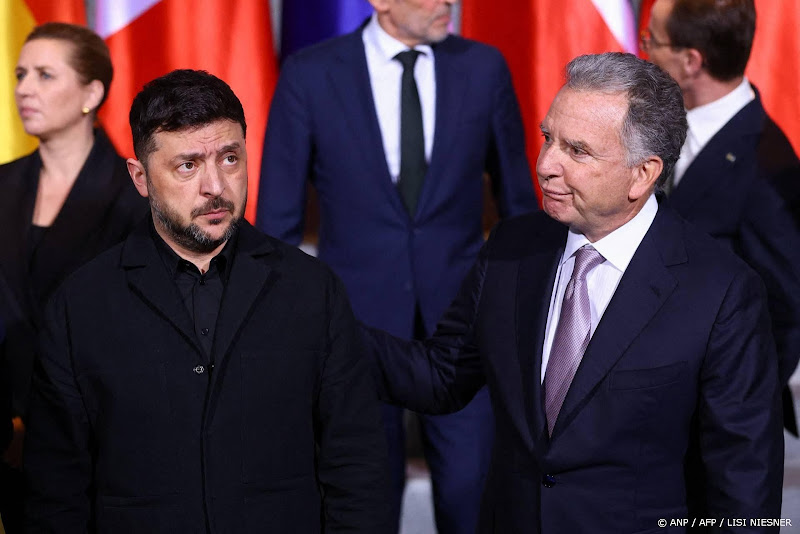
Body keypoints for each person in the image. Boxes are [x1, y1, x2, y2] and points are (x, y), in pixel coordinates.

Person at [363, 52, 784, 533]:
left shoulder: (721, 291)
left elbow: (743, 480)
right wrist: (323, 321)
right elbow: (441, 376)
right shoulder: (512, 248)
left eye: (577, 151)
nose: (545, 165)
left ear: (643, 174)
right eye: (548, 138)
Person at [24, 69, 390, 533]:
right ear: (140, 178)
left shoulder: (313, 290)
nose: (215, 186)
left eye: (230, 159)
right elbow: (55, 492)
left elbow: (356, 467)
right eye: (188, 166)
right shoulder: (80, 306)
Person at [256, 1, 538, 531]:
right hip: (352, 326)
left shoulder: (483, 67)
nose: (447, 2)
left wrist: (529, 306)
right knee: (363, 501)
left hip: (464, 328)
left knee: (472, 497)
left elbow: (519, 205)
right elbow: (278, 222)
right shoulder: (310, 73)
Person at [0, 22, 147, 533]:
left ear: (92, 93)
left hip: (103, 443)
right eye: (21, 74)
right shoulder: (2, 185)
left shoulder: (136, 196)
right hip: (8, 442)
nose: (24, 88)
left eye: (44, 75)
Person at [642, 0, 800, 435]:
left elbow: (786, 311)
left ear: (692, 61)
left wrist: (731, 410)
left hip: (711, 426)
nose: (644, 52)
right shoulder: (661, 126)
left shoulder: (766, 167)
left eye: (653, 41)